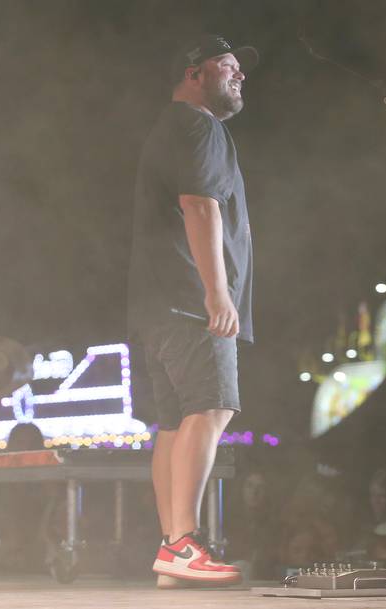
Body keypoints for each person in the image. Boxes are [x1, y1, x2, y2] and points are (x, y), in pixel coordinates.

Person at [127, 34, 257, 587]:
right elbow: (199, 205)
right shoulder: (200, 125)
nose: (239, 75)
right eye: (226, 66)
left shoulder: (171, 127)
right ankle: (183, 543)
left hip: (158, 302)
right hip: (188, 300)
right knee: (212, 408)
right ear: (193, 73)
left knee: (175, 423)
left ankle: (170, 548)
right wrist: (217, 291)